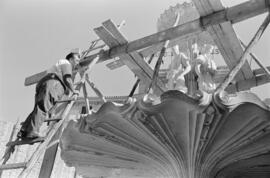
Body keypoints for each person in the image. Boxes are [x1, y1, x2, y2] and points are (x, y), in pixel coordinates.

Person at [17, 50, 81, 139]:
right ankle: (32, 131)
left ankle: (24, 131)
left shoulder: (59, 65)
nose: (78, 62)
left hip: (45, 83)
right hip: (53, 83)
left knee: (38, 108)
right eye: (77, 59)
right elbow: (67, 77)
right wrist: (73, 90)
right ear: (70, 59)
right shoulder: (66, 63)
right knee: (44, 107)